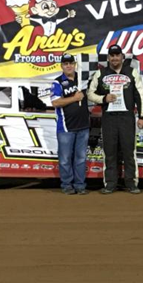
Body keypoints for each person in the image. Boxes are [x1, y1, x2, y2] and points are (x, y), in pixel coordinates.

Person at [87, 44, 143, 194]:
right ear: (108, 58)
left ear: (122, 57)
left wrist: (142, 116)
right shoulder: (100, 74)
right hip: (109, 118)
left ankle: (132, 183)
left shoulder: (132, 72)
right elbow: (90, 93)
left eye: (117, 55)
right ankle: (110, 183)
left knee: (129, 150)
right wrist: (103, 98)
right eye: (112, 55)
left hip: (127, 117)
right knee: (110, 151)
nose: (114, 58)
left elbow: (140, 95)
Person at [51, 53, 90, 195]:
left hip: (83, 126)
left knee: (80, 158)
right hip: (66, 127)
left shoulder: (83, 79)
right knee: (65, 159)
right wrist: (75, 98)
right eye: (65, 63)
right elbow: (55, 102)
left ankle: (80, 185)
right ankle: (66, 185)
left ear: (75, 65)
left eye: (71, 63)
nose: (69, 66)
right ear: (61, 66)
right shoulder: (57, 82)